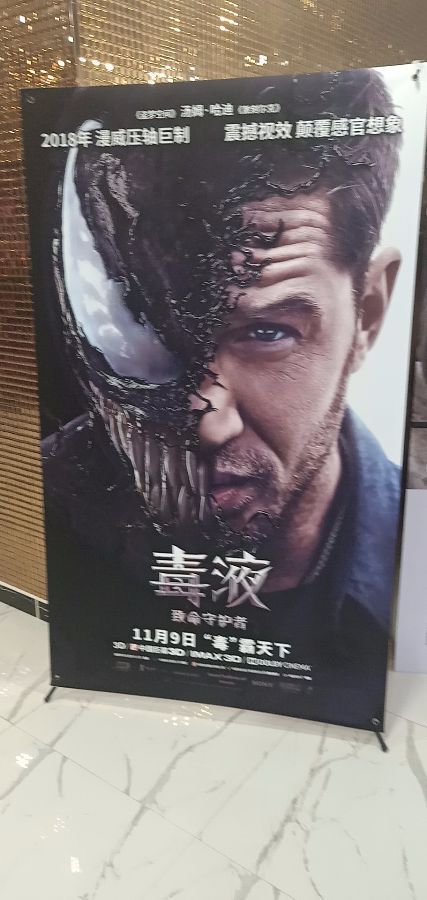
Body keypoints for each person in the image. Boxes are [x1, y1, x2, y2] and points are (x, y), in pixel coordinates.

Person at [40, 67, 404, 726]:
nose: (209, 423)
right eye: (144, 332)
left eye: (268, 332)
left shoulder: (412, 562)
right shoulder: (54, 511)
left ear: (369, 314)